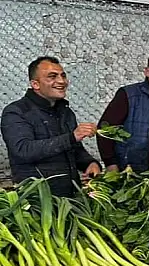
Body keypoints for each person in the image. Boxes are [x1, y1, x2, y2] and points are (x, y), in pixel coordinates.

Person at [0, 57, 101, 197]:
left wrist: (90, 163)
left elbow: (74, 149)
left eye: (63, 76)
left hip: (72, 198)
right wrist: (72, 137)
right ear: (35, 84)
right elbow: (23, 150)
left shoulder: (65, 111)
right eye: (52, 76)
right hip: (38, 200)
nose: (61, 81)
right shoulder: (16, 112)